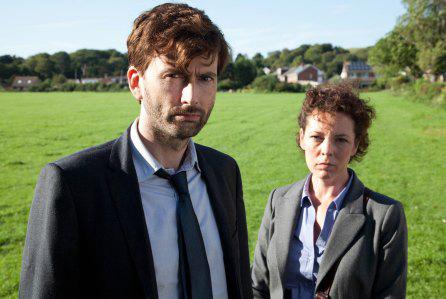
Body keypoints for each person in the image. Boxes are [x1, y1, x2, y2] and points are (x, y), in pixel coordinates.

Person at [19, 3, 252, 299]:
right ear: (135, 83)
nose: (191, 96)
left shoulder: (225, 172)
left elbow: (240, 285)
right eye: (174, 76)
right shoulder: (74, 185)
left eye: (205, 78)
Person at [251, 84, 407, 299]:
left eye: (340, 139)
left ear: (355, 145)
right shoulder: (278, 200)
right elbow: (258, 286)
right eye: (317, 137)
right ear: (302, 138)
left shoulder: (384, 215)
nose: (327, 150)